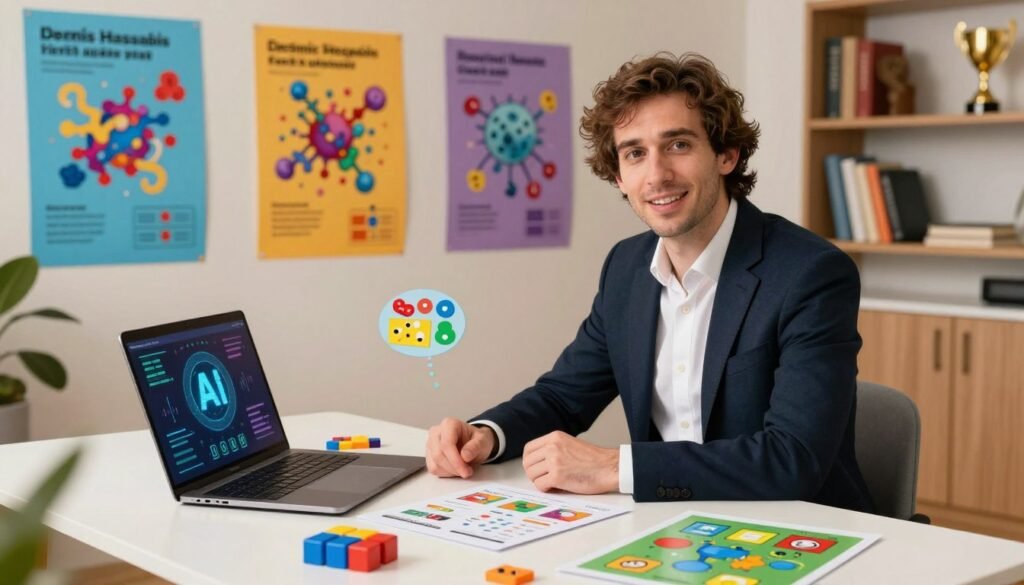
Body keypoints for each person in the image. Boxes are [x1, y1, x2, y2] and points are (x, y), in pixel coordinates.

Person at [425, 52, 874, 512]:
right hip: (671, 526)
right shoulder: (626, 267)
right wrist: (486, 435)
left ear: (726, 155)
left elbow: (793, 458)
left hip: (804, 532)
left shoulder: (810, 273)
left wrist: (615, 467)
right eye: (635, 153)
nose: (657, 175)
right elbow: (564, 395)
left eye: (678, 145)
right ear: (619, 176)